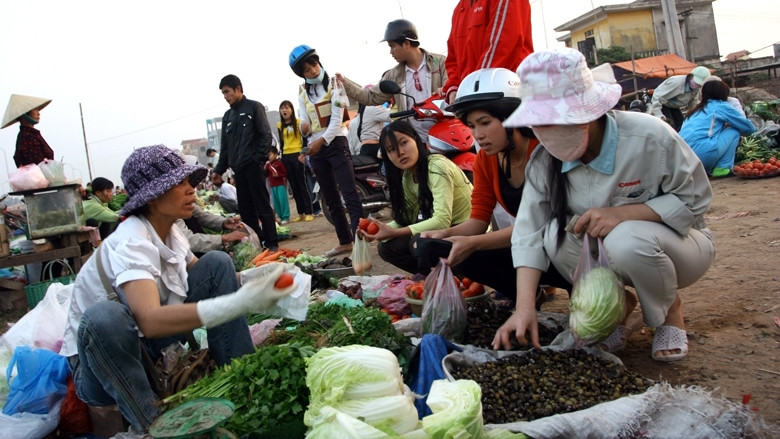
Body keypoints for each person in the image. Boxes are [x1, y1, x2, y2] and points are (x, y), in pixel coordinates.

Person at [492, 48, 715, 363]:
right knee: (555, 232)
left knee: (627, 239)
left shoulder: (649, 137)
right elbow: (529, 232)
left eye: (557, 120)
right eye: (540, 124)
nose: (547, 133)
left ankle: (669, 312)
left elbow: (695, 200)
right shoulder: (544, 162)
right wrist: (525, 308)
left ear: (590, 112)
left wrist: (624, 214)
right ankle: (617, 305)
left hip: (682, 248)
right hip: (607, 255)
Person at [60, 145, 298, 433]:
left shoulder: (171, 233)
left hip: (146, 347)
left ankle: (241, 379)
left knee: (218, 263)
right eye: (180, 183)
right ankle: (155, 423)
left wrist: (262, 279)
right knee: (105, 316)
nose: (191, 190)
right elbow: (148, 320)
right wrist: (238, 303)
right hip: (104, 364)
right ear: (152, 197)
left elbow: (211, 277)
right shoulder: (131, 242)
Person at [416, 68, 571, 304]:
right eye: (472, 126)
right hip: (529, 246)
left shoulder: (545, 152)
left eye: (485, 123)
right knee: (457, 253)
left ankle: (582, 291)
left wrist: (472, 242)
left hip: (565, 245)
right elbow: (478, 221)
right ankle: (527, 299)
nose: (477, 135)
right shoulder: (485, 161)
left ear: (511, 116)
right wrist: (443, 235)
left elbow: (541, 225)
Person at [359, 120, 472, 274]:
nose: (400, 152)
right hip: (447, 230)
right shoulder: (407, 176)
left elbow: (442, 220)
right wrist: (376, 230)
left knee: (418, 242)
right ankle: (440, 279)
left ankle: (457, 278)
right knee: (387, 248)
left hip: (468, 229)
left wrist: (395, 232)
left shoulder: (437, 167)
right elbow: (407, 219)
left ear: (416, 140)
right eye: (391, 149)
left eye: (404, 143)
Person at [289, 45, 363, 257]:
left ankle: (360, 241)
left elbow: (338, 119)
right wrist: (304, 127)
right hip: (316, 148)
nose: (312, 70)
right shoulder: (303, 93)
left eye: (313, 64)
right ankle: (345, 241)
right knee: (330, 198)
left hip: (336, 143)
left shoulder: (335, 84)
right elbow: (304, 119)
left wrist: (321, 140)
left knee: (349, 194)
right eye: (306, 69)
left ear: (319, 62)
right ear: (301, 74)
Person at [335, 19, 447, 142]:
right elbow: (370, 97)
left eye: (392, 46)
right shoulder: (393, 75)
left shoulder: (440, 62)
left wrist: (446, 90)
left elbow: (453, 87)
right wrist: (345, 83)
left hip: (446, 134)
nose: (390, 52)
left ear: (406, 44)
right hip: (415, 141)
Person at [214, 74, 279, 251]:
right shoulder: (228, 116)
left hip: (254, 167)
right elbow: (225, 148)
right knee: (247, 212)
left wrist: (258, 159)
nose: (225, 96)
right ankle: (258, 243)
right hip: (238, 171)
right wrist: (218, 170)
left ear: (238, 89)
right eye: (223, 93)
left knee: (263, 207)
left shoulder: (254, 107)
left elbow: (265, 135)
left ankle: (272, 244)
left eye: (227, 91)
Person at [442, 0, 534, 105]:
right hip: (474, 97)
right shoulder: (460, 8)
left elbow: (503, 45)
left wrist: (475, 87)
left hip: (507, 95)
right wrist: (454, 87)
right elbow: (453, 58)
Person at [679, 78, 756, 178]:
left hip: (683, 159)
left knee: (711, 136)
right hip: (702, 154)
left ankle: (707, 168)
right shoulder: (721, 106)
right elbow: (748, 128)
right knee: (733, 131)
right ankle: (723, 168)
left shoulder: (695, 110)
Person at [277, 100, 314, 222]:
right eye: (282, 108)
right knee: (293, 186)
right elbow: (281, 142)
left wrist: (302, 154)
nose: (284, 110)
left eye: (287, 108)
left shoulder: (298, 123)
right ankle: (301, 212)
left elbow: (305, 139)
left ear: (291, 110)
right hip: (286, 156)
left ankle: (309, 211)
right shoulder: (279, 125)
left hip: (297, 155)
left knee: (301, 184)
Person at [650, 65, 710, 131]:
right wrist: (659, 114)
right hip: (662, 105)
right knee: (669, 127)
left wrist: (695, 115)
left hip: (674, 106)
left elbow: (693, 103)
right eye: (697, 83)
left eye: (699, 85)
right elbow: (657, 97)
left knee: (681, 126)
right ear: (691, 76)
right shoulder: (676, 83)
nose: (698, 85)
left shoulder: (696, 89)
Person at [1, 94, 55, 167]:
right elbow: (38, 166)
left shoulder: (31, 134)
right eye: (35, 110)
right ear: (25, 113)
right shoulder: (27, 137)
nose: (38, 113)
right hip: (39, 178)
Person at [176, 204, 249, 256]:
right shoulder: (170, 215)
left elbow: (201, 215)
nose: (191, 190)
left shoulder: (181, 203)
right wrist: (223, 238)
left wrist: (223, 223)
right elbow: (187, 240)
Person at [265, 148, 290, 224]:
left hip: (280, 185)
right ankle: (281, 217)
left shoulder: (279, 163)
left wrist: (278, 175)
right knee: (276, 202)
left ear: (276, 155)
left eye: (270, 155)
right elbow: (266, 174)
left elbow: (285, 173)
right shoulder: (268, 165)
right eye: (268, 155)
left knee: (282, 201)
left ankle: (286, 217)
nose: (269, 157)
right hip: (272, 186)